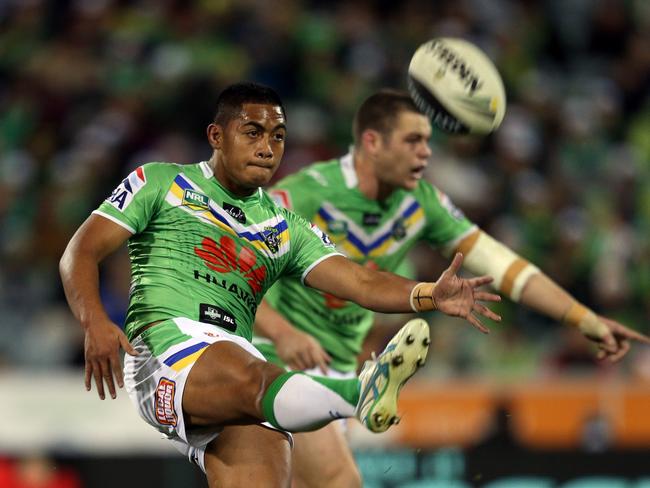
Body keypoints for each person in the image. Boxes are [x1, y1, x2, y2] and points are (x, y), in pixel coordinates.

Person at [59, 82, 502, 488]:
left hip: (235, 362)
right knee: (256, 376)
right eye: (252, 132)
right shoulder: (160, 181)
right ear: (216, 136)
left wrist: (426, 293)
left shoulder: (284, 227)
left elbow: (359, 280)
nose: (268, 147)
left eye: (278, 136)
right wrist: (94, 320)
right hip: (167, 346)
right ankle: (359, 391)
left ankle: (350, 393)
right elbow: (80, 252)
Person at [252, 89, 650, 488]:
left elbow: (504, 266)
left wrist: (582, 317)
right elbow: (235, 273)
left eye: (427, 141)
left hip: (338, 364)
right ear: (372, 142)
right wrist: (283, 333)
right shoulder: (306, 193)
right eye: (412, 141)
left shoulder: (422, 203)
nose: (425, 153)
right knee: (338, 482)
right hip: (275, 351)